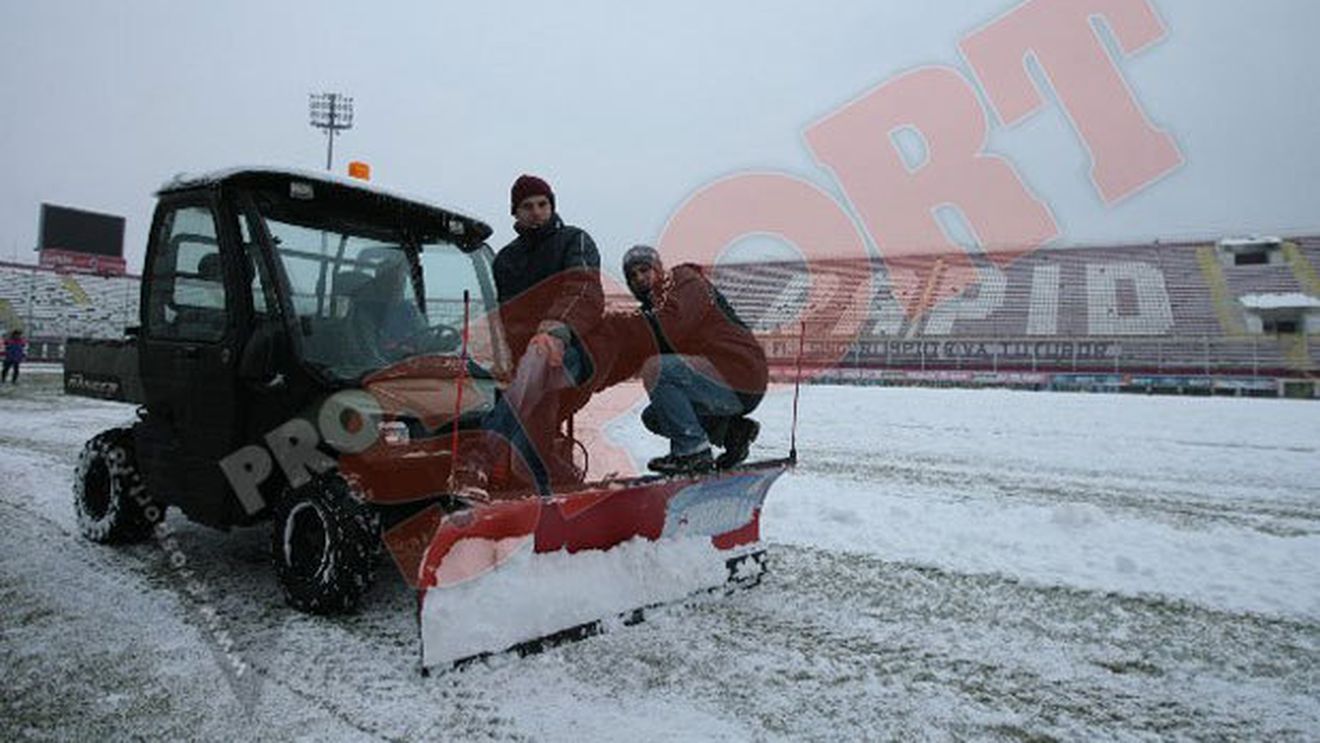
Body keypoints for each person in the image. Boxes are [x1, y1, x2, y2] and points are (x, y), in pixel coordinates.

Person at [457, 174, 604, 497]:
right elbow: (507, 315)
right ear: (515, 213)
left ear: (551, 206)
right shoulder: (506, 260)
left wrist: (553, 331)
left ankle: (480, 458)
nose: (536, 212)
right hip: (526, 363)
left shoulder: (574, 241)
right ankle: (559, 491)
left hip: (572, 352)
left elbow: (582, 290)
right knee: (528, 435)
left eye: (542, 204)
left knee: (537, 364)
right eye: (527, 206)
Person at [614, 245, 766, 474]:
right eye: (632, 276)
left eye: (644, 270)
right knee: (655, 416)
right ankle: (732, 433)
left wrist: (627, 330)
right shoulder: (652, 314)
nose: (639, 278)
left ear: (658, 269)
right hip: (718, 383)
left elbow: (672, 326)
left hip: (737, 372)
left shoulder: (684, 281)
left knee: (657, 369)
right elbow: (631, 355)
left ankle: (692, 451)